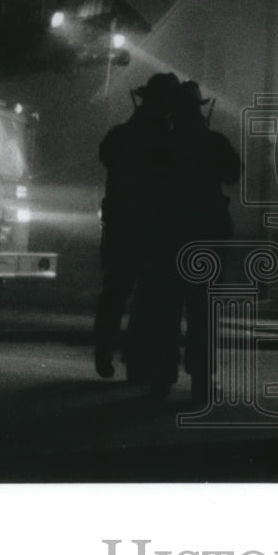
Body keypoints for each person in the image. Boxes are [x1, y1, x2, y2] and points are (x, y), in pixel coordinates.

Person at [94, 72, 182, 394]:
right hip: (155, 230)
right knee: (151, 298)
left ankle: (105, 351)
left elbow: (109, 159)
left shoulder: (120, 135)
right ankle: (139, 362)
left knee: (115, 292)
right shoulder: (169, 139)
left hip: (121, 227)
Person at [169, 80, 241, 404]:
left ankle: (162, 374)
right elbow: (233, 174)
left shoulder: (163, 144)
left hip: (169, 231)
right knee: (203, 309)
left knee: (167, 306)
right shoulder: (213, 141)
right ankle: (201, 379)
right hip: (208, 233)